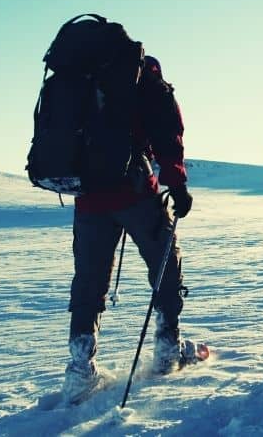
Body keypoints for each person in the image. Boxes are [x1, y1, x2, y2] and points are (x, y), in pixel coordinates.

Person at [62, 54, 197, 402]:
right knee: (164, 262)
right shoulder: (142, 72)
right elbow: (168, 129)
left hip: (89, 198)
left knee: (89, 281)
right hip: (135, 191)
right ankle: (168, 348)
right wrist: (176, 183)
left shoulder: (79, 76)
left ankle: (79, 369)